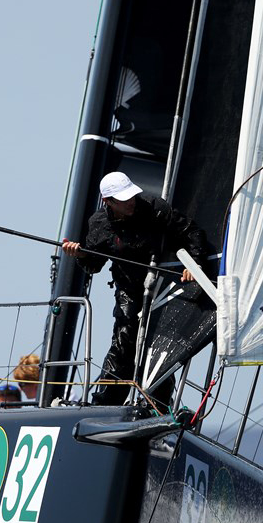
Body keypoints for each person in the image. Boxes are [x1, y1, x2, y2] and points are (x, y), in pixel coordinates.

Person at [61, 171, 206, 406]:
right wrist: (80, 255)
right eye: (123, 199)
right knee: (123, 343)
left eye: (131, 196)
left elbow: (191, 232)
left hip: (163, 286)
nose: (130, 202)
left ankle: (158, 405)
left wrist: (195, 263)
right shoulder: (99, 224)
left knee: (157, 345)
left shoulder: (154, 207)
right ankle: (105, 405)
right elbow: (93, 265)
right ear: (108, 202)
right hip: (128, 289)